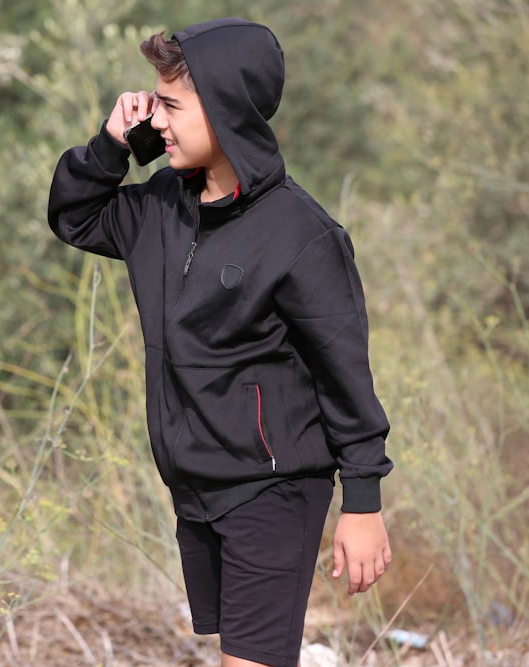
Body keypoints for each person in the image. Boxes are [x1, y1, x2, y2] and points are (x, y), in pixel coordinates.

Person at [47, 18, 393, 667]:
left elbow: (345, 372)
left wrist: (364, 501)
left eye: (172, 105)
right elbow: (75, 216)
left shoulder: (300, 233)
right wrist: (114, 142)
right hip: (197, 485)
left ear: (228, 108)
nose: (159, 117)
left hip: (274, 486)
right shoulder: (160, 208)